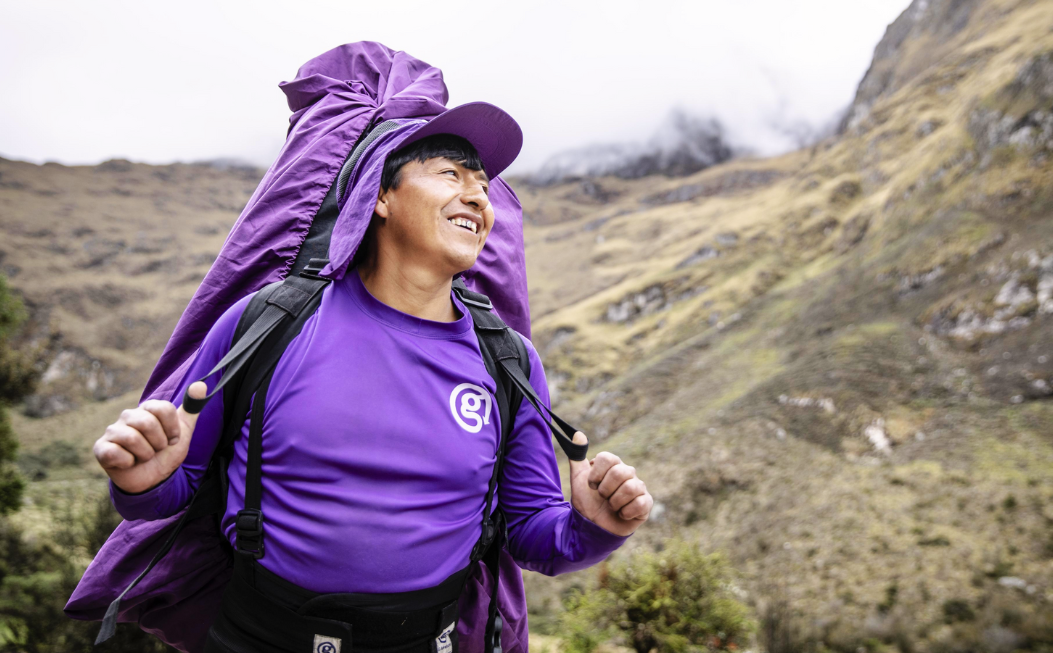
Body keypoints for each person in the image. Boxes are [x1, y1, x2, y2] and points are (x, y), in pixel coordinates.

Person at [92, 128, 653, 653]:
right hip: (256, 636)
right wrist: (143, 482)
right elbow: (177, 491)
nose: (478, 197)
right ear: (380, 196)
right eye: (450, 174)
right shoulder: (267, 322)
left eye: (483, 187)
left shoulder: (508, 361)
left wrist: (595, 530)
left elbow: (533, 533)